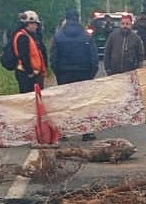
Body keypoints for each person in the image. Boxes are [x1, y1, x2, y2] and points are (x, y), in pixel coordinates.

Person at [50, 9, 99, 140]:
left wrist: (58, 73)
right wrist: (91, 75)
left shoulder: (58, 36)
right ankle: (87, 132)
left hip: (64, 75)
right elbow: (93, 58)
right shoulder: (86, 36)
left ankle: (64, 132)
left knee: (65, 104)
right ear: (78, 19)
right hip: (84, 74)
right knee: (84, 103)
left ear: (65, 19)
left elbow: (53, 59)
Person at [10, 10, 48, 94]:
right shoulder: (23, 37)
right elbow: (24, 56)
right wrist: (30, 72)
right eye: (35, 24)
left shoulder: (29, 36)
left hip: (32, 74)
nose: (36, 27)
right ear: (29, 24)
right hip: (27, 75)